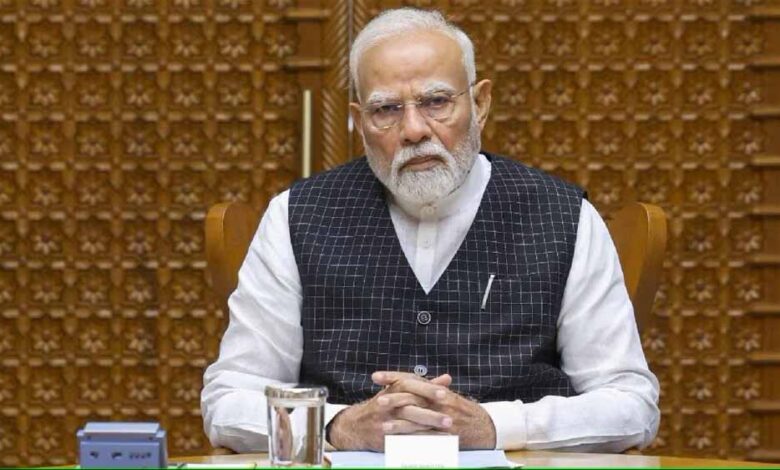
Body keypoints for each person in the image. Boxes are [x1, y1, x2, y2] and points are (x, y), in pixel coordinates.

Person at [201, 8, 660, 453]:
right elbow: (229, 400)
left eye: (436, 102)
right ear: (359, 121)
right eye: (386, 109)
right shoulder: (296, 215)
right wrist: (338, 426)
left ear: (480, 104)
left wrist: (494, 426)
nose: (413, 130)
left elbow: (630, 405)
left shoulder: (563, 216)